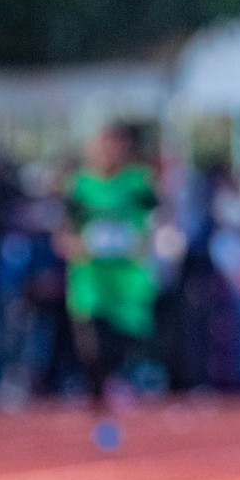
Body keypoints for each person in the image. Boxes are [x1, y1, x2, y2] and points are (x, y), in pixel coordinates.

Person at [59, 124, 160, 448]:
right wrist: (75, 245)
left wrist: (145, 242)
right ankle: (102, 412)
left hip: (127, 287)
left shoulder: (138, 183)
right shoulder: (79, 187)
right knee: (91, 352)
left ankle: (116, 396)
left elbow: (160, 220)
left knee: (119, 350)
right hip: (89, 284)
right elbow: (64, 231)